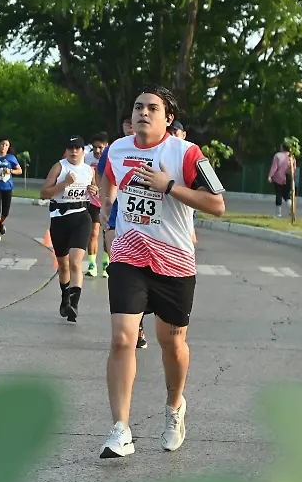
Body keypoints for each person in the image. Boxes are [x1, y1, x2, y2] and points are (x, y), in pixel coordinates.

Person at [97, 85, 226, 459]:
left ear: (168, 118)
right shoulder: (118, 149)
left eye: (153, 108)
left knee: (172, 344)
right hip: (129, 256)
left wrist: (169, 186)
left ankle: (174, 407)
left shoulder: (186, 153)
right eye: (138, 107)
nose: (143, 113)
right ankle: (120, 429)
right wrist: (107, 212)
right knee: (123, 339)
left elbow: (217, 204)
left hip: (174, 262)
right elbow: (106, 174)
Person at [98, 117, 148, 348]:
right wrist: (105, 201)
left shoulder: (162, 150)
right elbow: (104, 175)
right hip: (118, 217)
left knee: (145, 276)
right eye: (128, 123)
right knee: (120, 267)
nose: (132, 127)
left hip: (150, 225)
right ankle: (132, 324)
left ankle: (139, 317)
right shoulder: (115, 149)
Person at [40, 137, 97, 322]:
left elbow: (95, 190)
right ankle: (65, 299)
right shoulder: (59, 167)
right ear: (66, 151)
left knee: (75, 262)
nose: (74, 152)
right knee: (63, 264)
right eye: (70, 148)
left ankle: (74, 304)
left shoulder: (89, 170)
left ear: (82, 151)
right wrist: (64, 183)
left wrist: (94, 190)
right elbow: (44, 193)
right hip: (59, 218)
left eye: (77, 148)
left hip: (81, 217)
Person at [85, 132, 109, 276]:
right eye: (94, 147)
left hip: (108, 201)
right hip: (92, 201)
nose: (97, 151)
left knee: (107, 234)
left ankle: (106, 265)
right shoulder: (87, 158)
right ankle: (92, 265)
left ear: (106, 146)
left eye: (100, 147)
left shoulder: (111, 158)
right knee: (93, 233)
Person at [268, 143, 294, 218]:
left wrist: (270, 176)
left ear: (283, 147)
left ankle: (278, 213)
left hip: (278, 177)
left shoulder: (277, 155)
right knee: (287, 195)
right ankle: (291, 210)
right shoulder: (291, 156)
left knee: (279, 194)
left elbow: (274, 167)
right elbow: (293, 168)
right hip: (289, 177)